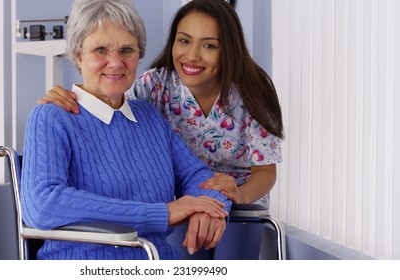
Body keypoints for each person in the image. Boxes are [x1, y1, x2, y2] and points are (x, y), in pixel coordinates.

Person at [40, 0, 283, 260]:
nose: (192, 55)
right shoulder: (154, 87)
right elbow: (109, 103)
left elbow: (263, 170)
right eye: (184, 41)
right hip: (180, 203)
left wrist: (229, 196)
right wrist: (65, 95)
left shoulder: (250, 92)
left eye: (209, 45)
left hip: (229, 200)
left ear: (228, 50)